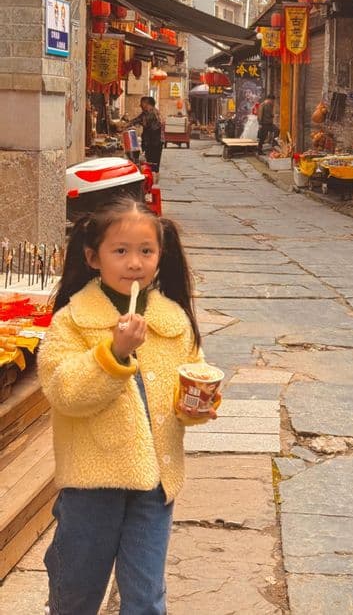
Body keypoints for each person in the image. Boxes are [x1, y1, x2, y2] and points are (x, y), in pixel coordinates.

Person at [38, 197, 221, 615]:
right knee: (77, 593)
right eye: (120, 251)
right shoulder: (73, 321)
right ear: (93, 257)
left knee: (145, 596)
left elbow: (191, 376)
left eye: (146, 251)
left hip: (155, 484)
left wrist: (197, 404)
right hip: (92, 485)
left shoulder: (173, 321)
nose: (134, 263)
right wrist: (114, 353)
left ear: (161, 256)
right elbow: (65, 392)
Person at [128, 96, 163, 179]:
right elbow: (138, 119)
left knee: (152, 165)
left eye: (142, 103)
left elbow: (138, 120)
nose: (140, 105)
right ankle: (153, 180)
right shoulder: (150, 112)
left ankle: (153, 182)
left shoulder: (151, 113)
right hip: (153, 142)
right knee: (153, 165)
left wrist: (125, 125)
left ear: (147, 104)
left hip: (153, 143)